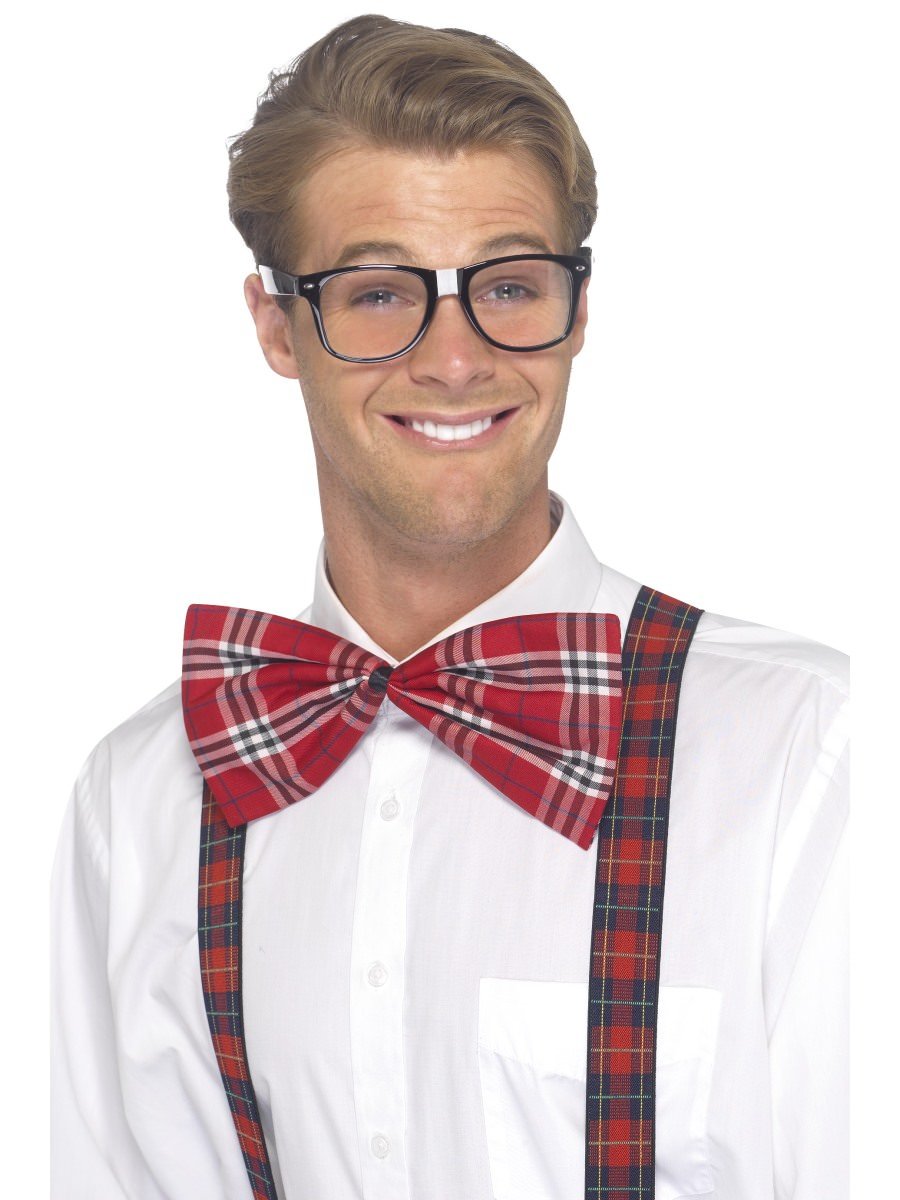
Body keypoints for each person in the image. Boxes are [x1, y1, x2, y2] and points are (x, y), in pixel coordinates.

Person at [51, 14, 848, 1200]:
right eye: (378, 293)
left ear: (580, 308)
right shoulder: (141, 800)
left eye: (508, 285)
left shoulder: (806, 752)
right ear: (276, 327)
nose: (456, 358)